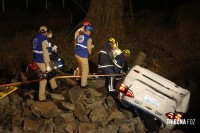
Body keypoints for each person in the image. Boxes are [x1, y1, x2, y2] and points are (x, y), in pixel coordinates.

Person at [32, 26, 58, 102]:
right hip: (42, 60)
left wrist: (51, 48)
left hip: (37, 59)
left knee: (52, 71)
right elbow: (45, 53)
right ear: (46, 32)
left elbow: (39, 49)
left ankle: (54, 87)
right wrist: (47, 65)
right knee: (43, 79)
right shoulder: (44, 40)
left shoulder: (35, 38)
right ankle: (41, 98)